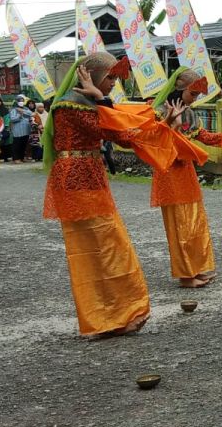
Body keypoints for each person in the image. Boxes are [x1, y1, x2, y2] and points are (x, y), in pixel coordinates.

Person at [43, 52, 154, 337]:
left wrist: (104, 100)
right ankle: (108, 317)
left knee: (102, 247)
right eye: (110, 78)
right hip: (77, 179)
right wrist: (103, 101)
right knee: (101, 248)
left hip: (90, 176)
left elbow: (124, 137)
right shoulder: (70, 105)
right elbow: (115, 129)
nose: (113, 84)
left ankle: (111, 318)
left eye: (115, 78)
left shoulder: (90, 104)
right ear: (90, 76)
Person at [150, 67, 222, 288]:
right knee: (179, 224)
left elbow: (204, 137)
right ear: (180, 89)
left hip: (186, 171)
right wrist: (172, 124)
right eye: (193, 94)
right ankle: (186, 275)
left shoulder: (190, 112)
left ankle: (195, 268)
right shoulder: (159, 111)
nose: (194, 99)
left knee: (194, 222)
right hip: (169, 172)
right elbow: (155, 143)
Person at [9, 96, 34, 163]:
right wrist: (19, 115)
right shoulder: (13, 109)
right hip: (17, 130)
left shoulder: (25, 108)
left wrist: (22, 111)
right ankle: (16, 158)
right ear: (16, 102)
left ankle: (22, 157)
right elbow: (12, 119)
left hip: (26, 130)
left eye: (22, 101)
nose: (21, 102)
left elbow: (31, 114)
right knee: (17, 145)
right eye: (20, 101)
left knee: (24, 144)